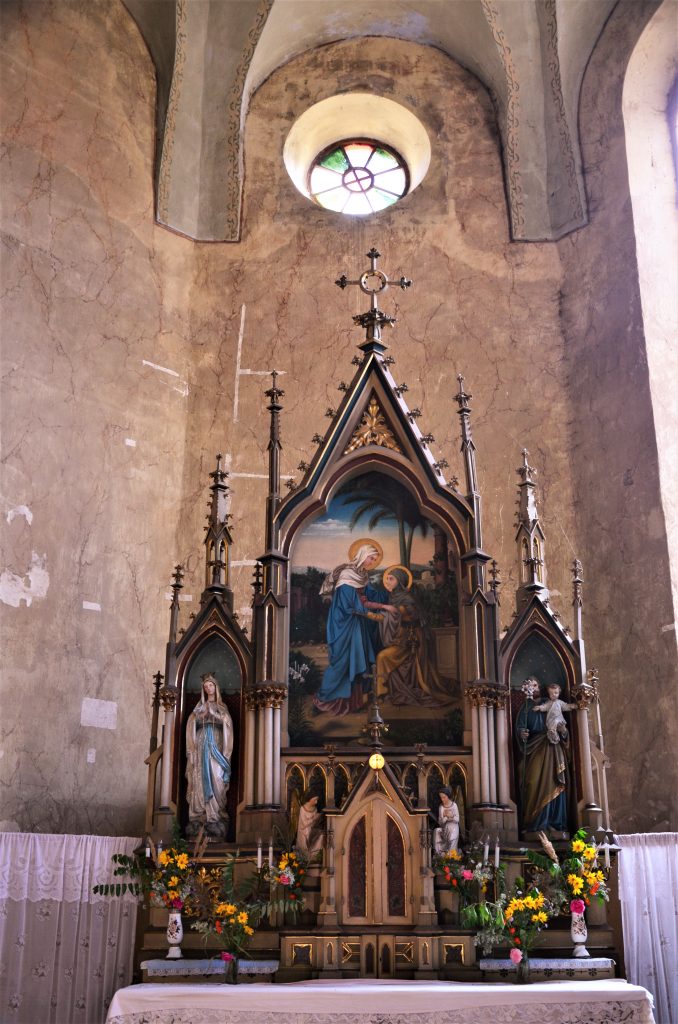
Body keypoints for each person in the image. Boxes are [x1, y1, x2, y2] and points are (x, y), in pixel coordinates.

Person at [313, 540, 393, 715]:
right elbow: (347, 604)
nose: (372, 562)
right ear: (363, 556)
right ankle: (324, 699)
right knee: (342, 663)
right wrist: (371, 612)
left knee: (357, 662)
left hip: (358, 625)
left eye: (374, 560)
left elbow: (372, 595)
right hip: (344, 624)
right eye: (371, 559)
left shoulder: (362, 576)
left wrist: (388, 590)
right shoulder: (347, 575)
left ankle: (353, 703)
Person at [374, 565, 448, 705]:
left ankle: (382, 692)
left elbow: (411, 617)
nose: (388, 581)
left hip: (412, 639)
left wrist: (394, 612)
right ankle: (384, 693)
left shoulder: (407, 598)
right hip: (401, 638)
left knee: (382, 656)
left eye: (391, 579)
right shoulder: (394, 597)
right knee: (382, 656)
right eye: (387, 579)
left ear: (399, 581)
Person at [516, 676, 571, 839]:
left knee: (556, 780)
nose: (533, 688)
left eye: (535, 684)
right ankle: (535, 823)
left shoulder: (552, 703)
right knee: (532, 782)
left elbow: (564, 728)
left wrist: (563, 731)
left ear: (540, 687)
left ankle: (556, 823)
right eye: (530, 685)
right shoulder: (525, 707)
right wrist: (522, 733)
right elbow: (520, 728)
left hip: (553, 747)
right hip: (535, 748)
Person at [185, 674, 234, 838]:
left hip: (216, 744)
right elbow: (191, 722)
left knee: (216, 775)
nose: (208, 689)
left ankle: (215, 814)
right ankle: (200, 815)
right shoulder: (199, 706)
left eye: (210, 686)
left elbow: (227, 723)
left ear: (215, 687)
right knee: (199, 777)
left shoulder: (222, 706)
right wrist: (199, 717)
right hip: (201, 744)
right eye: (205, 687)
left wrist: (214, 716)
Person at [294, 791, 324, 859]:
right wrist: (314, 818)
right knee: (307, 834)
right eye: (315, 800)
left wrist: (318, 818)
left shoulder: (315, 809)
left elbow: (315, 823)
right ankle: (306, 856)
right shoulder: (303, 809)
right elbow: (304, 824)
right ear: (310, 799)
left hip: (312, 829)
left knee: (321, 835)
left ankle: (314, 855)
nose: (316, 802)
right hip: (304, 830)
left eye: (317, 800)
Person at [433, 787, 460, 854]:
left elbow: (457, 819)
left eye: (444, 797)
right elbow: (440, 822)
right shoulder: (441, 807)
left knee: (452, 842)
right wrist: (446, 817)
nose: (442, 799)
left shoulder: (454, 805)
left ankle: (451, 859)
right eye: (441, 797)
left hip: (454, 828)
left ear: (448, 796)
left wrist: (451, 816)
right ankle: (440, 856)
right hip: (446, 828)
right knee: (437, 831)